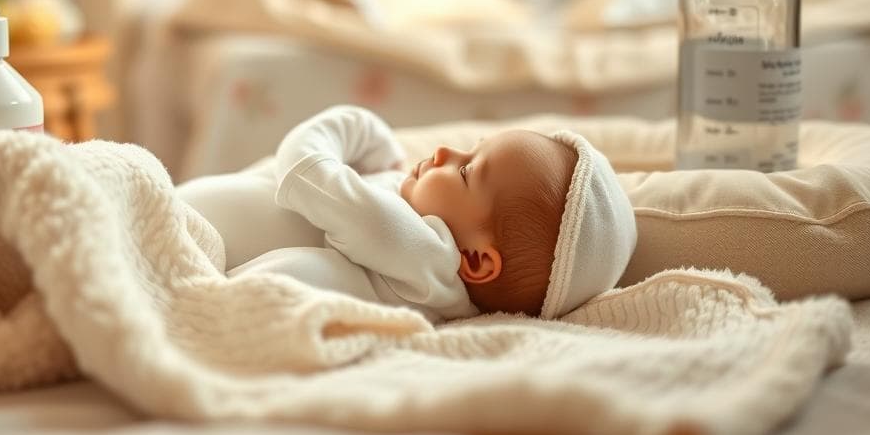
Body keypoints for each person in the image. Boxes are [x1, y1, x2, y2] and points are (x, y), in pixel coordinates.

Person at [177, 105, 637, 322]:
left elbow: (305, 174)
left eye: (467, 171)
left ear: (475, 259)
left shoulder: (425, 254)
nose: (443, 152)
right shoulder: (415, 259)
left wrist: (356, 126)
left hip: (186, 236)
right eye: (469, 148)